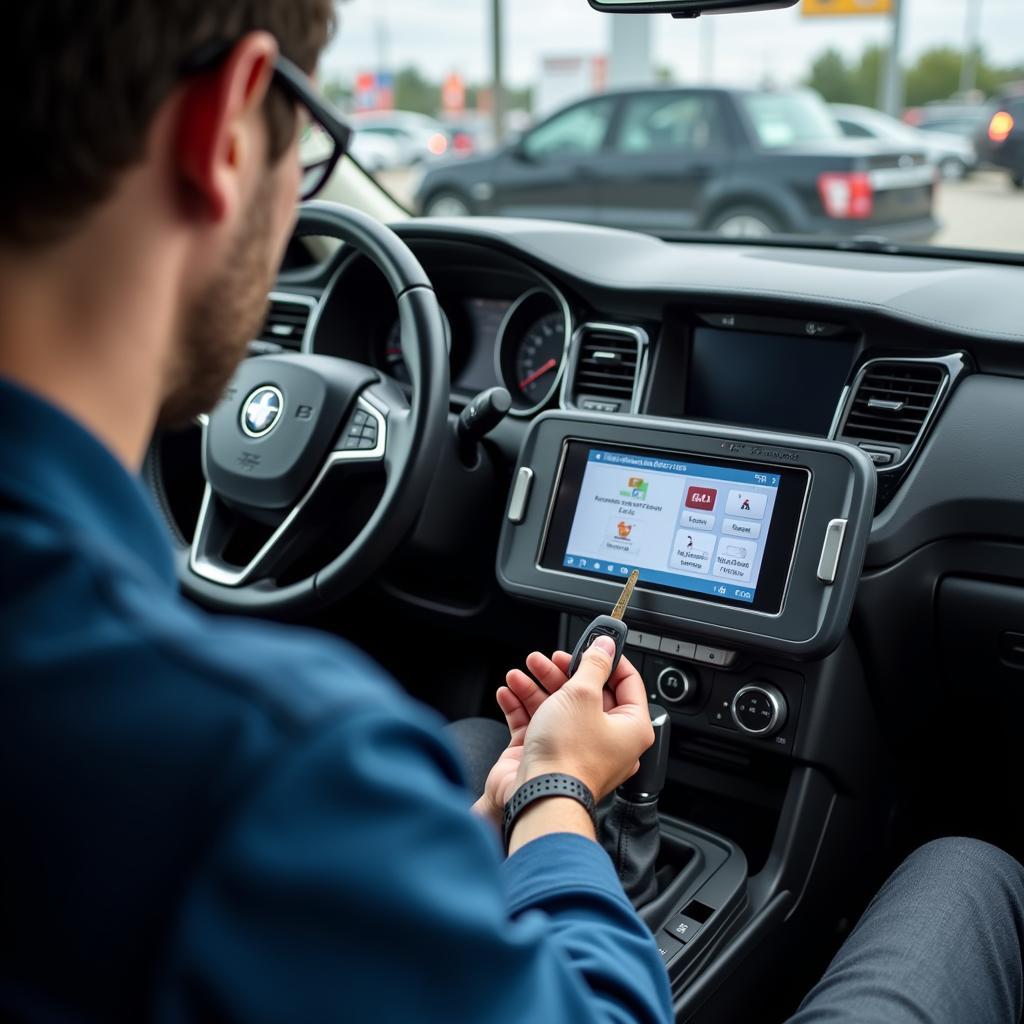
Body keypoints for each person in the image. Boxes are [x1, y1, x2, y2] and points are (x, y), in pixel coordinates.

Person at [0, 6, 1021, 1024]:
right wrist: (559, 798)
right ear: (224, 130)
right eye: (306, 142)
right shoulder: (274, 768)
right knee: (971, 871)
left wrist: (474, 824)